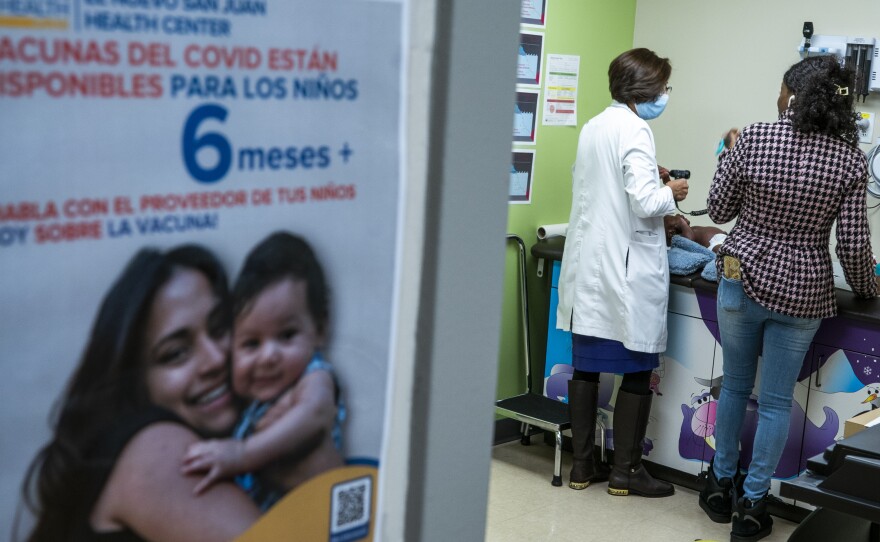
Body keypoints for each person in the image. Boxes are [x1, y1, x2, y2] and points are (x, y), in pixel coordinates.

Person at [698, 55, 878, 542]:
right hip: (803, 289)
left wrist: (728, 152)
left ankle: (718, 486)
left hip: (740, 274)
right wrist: (868, 289)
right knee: (776, 402)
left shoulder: (754, 137)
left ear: (793, 95)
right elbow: (854, 245)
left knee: (734, 387)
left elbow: (718, 208)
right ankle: (753, 505)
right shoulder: (849, 159)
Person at [18, 246, 261, 542]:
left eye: (220, 327)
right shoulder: (155, 447)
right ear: (134, 383)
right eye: (176, 354)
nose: (215, 359)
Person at [557, 47, 689, 498]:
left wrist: (650, 178)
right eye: (663, 88)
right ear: (646, 90)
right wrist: (670, 190)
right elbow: (644, 202)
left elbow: (596, 182)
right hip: (625, 271)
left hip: (589, 267)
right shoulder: (636, 128)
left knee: (586, 368)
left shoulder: (595, 126)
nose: (665, 96)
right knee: (636, 368)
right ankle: (626, 472)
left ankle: (581, 467)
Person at [182, 232, 344, 510]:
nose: (268, 356)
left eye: (286, 335)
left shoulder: (315, 376)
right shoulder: (249, 406)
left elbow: (314, 414)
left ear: (319, 328)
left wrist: (242, 454)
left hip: (319, 517)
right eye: (251, 344)